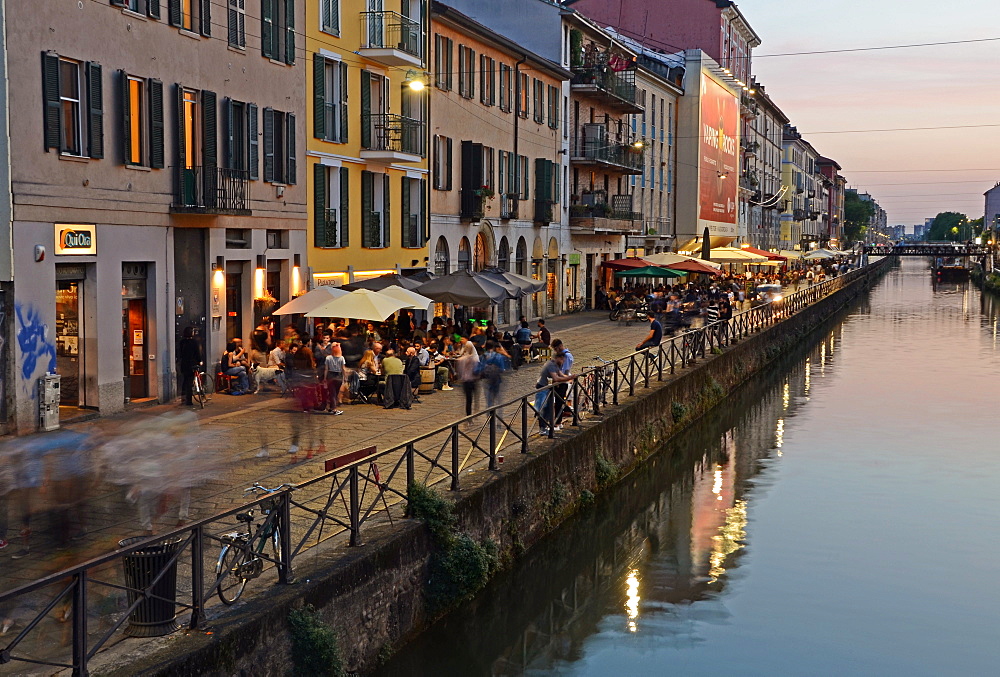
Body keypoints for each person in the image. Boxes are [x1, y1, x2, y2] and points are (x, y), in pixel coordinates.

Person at [534, 351, 574, 435]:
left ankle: (546, 427)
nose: (563, 362)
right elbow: (556, 378)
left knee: (549, 408)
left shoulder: (555, 365)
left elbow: (561, 374)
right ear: (558, 358)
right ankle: (542, 428)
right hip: (542, 387)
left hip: (548, 389)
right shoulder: (551, 365)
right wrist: (569, 378)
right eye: (562, 360)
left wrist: (569, 378)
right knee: (543, 408)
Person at [480, 340, 510, 411]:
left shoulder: (482, 356)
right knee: (497, 398)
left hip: (486, 379)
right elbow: (503, 369)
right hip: (496, 379)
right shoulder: (498, 356)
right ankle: (496, 413)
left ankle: (490, 413)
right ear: (493, 347)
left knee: (488, 399)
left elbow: (479, 369)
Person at [455, 340, 481, 417]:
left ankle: (468, 415)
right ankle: (476, 408)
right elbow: (478, 370)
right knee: (475, 396)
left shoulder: (461, 360)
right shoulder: (475, 359)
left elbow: (459, 371)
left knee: (468, 399)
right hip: (473, 380)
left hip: (465, 381)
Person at [178, 327, 202, 406]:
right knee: (190, 382)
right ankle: (189, 400)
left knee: (185, 381)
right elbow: (197, 353)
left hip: (184, 364)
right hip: (192, 364)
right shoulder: (194, 342)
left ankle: (183, 398)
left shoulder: (182, 342)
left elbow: (180, 353)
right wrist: (199, 361)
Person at [323, 342, 346, 415]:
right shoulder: (341, 358)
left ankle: (332, 407)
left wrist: (325, 378)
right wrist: (345, 377)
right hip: (338, 376)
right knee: (335, 393)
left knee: (332, 393)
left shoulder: (328, 358)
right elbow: (343, 369)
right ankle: (334, 408)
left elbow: (326, 369)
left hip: (330, 375)